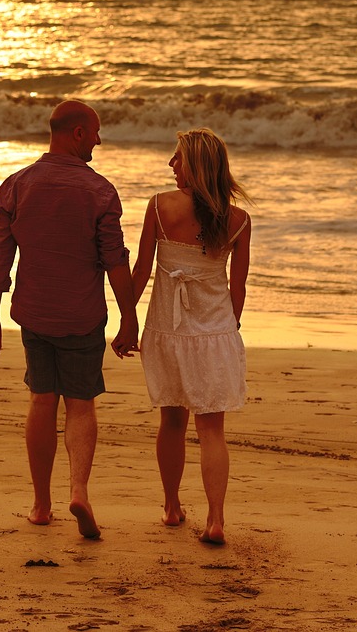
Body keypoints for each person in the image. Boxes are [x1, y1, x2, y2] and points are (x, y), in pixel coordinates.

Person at [0, 99, 139, 539]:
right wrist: (130, 318)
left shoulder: (16, 185)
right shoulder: (100, 192)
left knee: (41, 400)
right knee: (81, 405)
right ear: (78, 134)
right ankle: (80, 491)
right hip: (82, 316)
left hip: (34, 313)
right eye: (97, 131)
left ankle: (41, 505)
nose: (101, 140)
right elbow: (115, 261)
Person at [130, 127, 251, 545]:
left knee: (172, 419)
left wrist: (127, 319)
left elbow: (142, 272)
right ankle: (215, 518)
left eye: (177, 157)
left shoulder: (161, 208)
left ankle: (171, 506)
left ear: (195, 164)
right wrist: (226, 329)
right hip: (215, 333)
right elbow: (238, 291)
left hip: (168, 328)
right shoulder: (238, 220)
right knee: (212, 430)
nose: (171, 164)